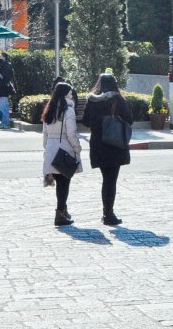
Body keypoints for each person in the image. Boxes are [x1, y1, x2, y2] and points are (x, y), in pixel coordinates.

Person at [81, 73, 133, 226]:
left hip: (98, 144)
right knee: (111, 180)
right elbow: (130, 119)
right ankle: (108, 214)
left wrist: (99, 122)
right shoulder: (117, 99)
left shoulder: (92, 100)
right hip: (115, 144)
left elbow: (85, 121)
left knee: (106, 179)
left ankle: (107, 212)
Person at [42, 82, 82, 226]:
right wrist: (77, 148)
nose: (72, 95)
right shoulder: (68, 111)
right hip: (65, 149)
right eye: (70, 93)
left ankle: (63, 211)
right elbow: (71, 133)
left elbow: (45, 134)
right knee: (64, 184)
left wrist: (47, 149)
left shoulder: (49, 108)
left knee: (60, 183)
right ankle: (60, 214)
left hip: (51, 149)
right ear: (65, 94)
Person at [0, 51, 16, 129]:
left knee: (3, 107)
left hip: (3, 90)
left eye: (0, 56)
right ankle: (3, 122)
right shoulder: (0, 66)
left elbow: (6, 79)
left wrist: (1, 85)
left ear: (4, 57)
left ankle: (5, 123)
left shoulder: (7, 66)